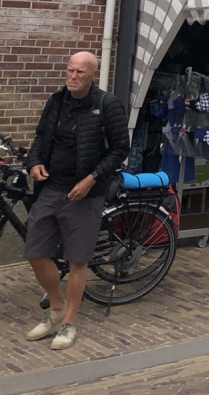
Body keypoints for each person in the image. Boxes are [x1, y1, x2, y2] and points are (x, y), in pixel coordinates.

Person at [23, 51, 130, 350]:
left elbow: (120, 148)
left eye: (79, 72)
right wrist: (34, 162)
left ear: (92, 74)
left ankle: (69, 322)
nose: (72, 76)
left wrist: (92, 179)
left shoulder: (107, 104)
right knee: (35, 250)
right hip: (51, 186)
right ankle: (56, 307)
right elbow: (41, 137)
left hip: (84, 192)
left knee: (77, 259)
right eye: (70, 70)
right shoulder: (57, 101)